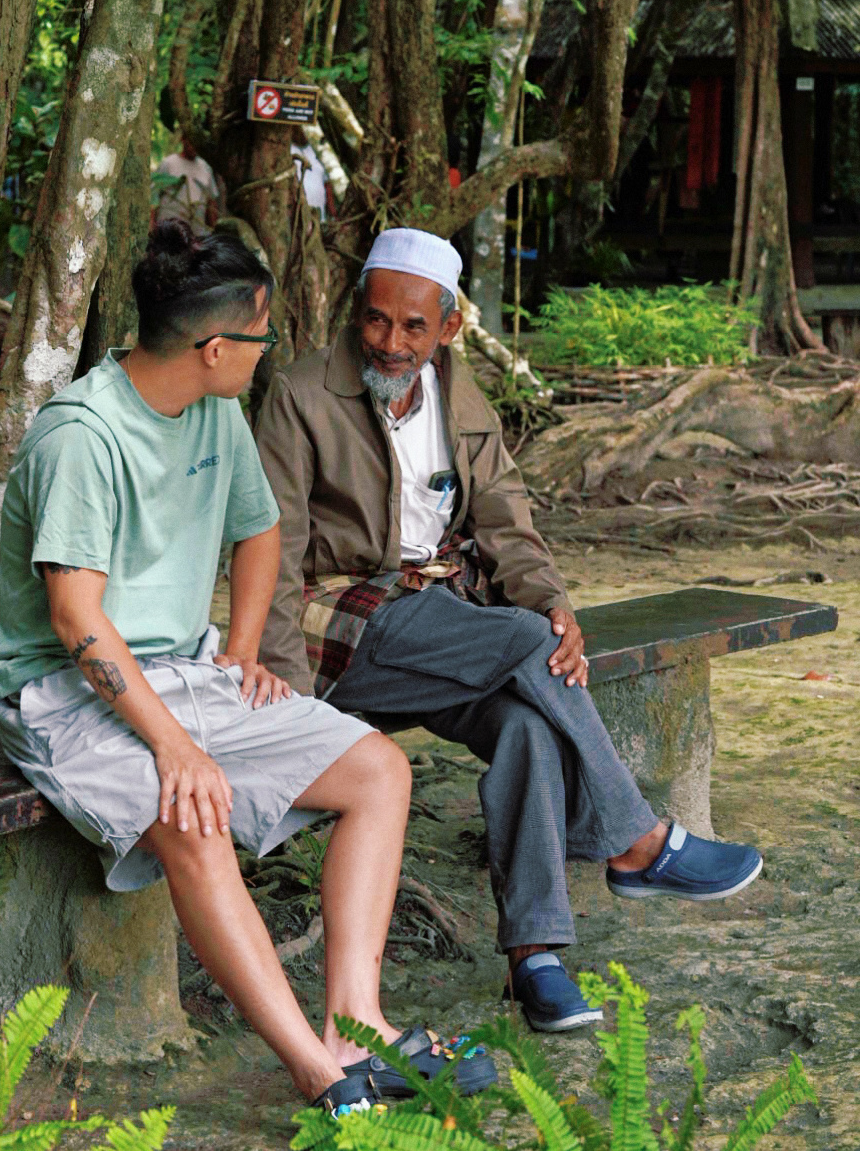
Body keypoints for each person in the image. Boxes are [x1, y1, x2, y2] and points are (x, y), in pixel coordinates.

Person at [0, 223, 495, 1118]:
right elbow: (75, 620)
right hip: (61, 693)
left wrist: (245, 650)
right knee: (194, 817)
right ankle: (319, 1074)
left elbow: (259, 532)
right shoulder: (81, 437)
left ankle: (356, 1027)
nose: (271, 354)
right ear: (216, 347)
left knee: (380, 770)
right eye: (260, 338)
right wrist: (177, 746)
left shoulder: (213, 409)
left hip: (184, 672)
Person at [254, 227, 764, 1034]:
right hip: (342, 621)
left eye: (413, 327)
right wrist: (278, 682)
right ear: (359, 313)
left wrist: (553, 600)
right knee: (526, 643)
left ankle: (537, 959)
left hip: (443, 620)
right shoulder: (301, 392)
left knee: (528, 723)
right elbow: (270, 542)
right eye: (377, 321)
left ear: (449, 326)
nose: (391, 342)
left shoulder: (461, 396)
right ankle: (638, 840)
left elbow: (507, 522)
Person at [152, 136, 222, 232]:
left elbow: (211, 202)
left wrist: (214, 229)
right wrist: (151, 227)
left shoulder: (205, 168)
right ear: (183, 140)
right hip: (169, 229)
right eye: (191, 141)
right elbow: (153, 196)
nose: (193, 146)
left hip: (196, 231)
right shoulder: (168, 163)